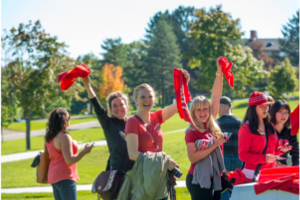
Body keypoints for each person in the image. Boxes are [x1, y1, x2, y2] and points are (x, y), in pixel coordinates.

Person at [124, 70, 190, 200]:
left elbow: (178, 104)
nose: (147, 100)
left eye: (150, 97)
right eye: (143, 97)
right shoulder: (132, 122)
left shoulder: (156, 117)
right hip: (143, 179)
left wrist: (183, 85)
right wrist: (163, 160)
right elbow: (132, 154)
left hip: (159, 176)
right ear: (135, 100)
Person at [185, 60, 225, 200]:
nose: (202, 113)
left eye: (205, 109)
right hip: (198, 180)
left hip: (216, 179)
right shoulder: (192, 131)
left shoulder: (211, 124)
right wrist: (214, 145)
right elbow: (193, 157)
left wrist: (219, 73)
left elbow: (215, 95)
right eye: (198, 110)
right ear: (193, 113)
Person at [82, 76, 134, 172]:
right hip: (118, 176)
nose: (118, 108)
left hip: (135, 174)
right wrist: (88, 85)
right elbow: (98, 108)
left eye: (121, 104)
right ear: (110, 110)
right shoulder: (109, 124)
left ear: (127, 107)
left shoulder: (133, 124)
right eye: (114, 106)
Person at [238, 92, 289, 180]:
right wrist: (264, 158)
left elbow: (272, 152)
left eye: (267, 105)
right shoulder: (246, 128)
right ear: (253, 108)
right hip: (252, 174)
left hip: (271, 172)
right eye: (261, 106)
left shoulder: (271, 126)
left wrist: (281, 149)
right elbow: (242, 155)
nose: (266, 108)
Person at [45, 108, 94, 200]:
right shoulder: (64, 136)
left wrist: (73, 143)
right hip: (65, 177)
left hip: (54, 177)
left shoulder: (50, 136)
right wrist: (85, 151)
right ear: (64, 120)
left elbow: (57, 152)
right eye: (69, 117)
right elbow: (69, 160)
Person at [270, 100, 299, 166]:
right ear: (274, 113)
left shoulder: (291, 131)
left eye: (286, 112)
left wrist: (295, 170)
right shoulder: (267, 130)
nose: (284, 115)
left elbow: (295, 154)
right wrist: (275, 164)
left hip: (283, 168)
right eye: (280, 111)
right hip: (267, 168)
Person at [217, 96, 243, 171]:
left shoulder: (217, 123)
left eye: (217, 107)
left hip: (224, 158)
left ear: (222, 106)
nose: (217, 110)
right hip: (239, 158)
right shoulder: (240, 122)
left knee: (224, 182)